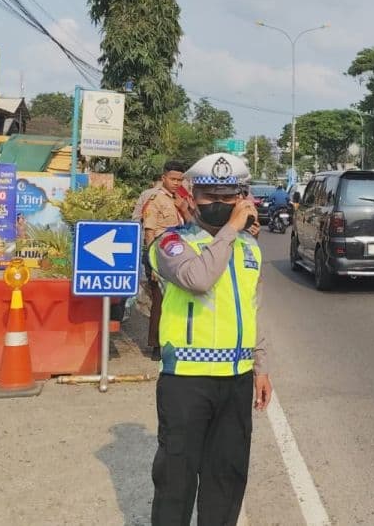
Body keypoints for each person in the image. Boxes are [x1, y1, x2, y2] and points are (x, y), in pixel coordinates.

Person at [149, 152, 273, 526]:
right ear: (191, 197)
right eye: (210, 197)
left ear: (241, 198)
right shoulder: (171, 244)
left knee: (227, 480)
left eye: (228, 197)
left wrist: (261, 367)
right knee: (176, 481)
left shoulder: (249, 248)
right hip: (186, 382)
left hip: (235, 380)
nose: (220, 205)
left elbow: (253, 308)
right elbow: (198, 279)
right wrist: (231, 230)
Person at [141, 162, 188, 358]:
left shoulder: (178, 199)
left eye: (180, 179)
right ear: (164, 178)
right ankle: (157, 346)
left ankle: (172, 341)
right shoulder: (155, 200)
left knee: (175, 301)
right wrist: (153, 266)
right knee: (160, 302)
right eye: (173, 179)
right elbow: (150, 233)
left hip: (176, 256)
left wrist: (183, 208)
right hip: (159, 256)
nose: (177, 183)